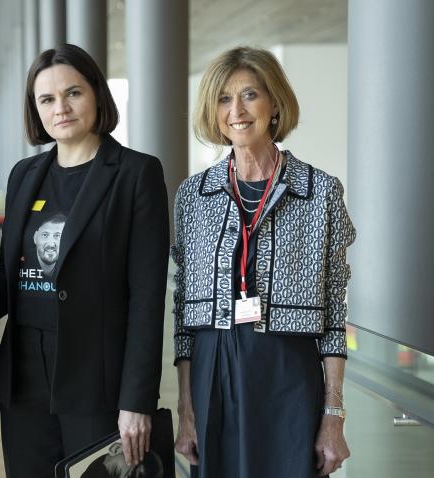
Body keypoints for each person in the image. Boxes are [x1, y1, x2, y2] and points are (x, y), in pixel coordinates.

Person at [0, 44, 170, 476]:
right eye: (47, 99)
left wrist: (136, 400)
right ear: (35, 109)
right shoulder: (25, 175)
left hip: (96, 381)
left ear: (97, 94)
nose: (61, 107)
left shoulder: (136, 174)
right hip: (24, 382)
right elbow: (9, 276)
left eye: (73, 93)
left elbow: (147, 297)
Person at [171, 46, 355, 478]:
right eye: (223, 98)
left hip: (288, 372)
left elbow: (334, 313)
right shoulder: (193, 196)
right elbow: (183, 315)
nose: (236, 109)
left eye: (250, 94)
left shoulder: (318, 193)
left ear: (274, 104)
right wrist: (186, 409)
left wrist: (333, 416)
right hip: (212, 368)